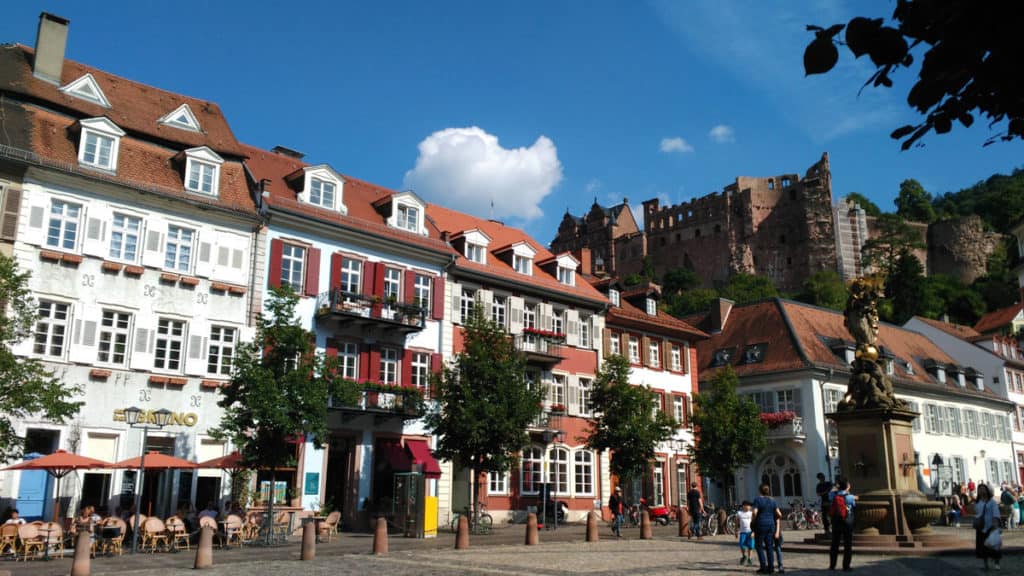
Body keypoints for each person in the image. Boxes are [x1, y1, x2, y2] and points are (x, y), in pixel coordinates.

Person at [752, 483, 781, 575]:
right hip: (771, 525)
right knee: (769, 546)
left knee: (759, 546)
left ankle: (763, 567)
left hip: (760, 525)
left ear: (760, 490)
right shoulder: (773, 500)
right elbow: (779, 514)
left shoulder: (757, 500)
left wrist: (753, 520)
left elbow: (754, 512)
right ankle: (771, 568)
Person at [828, 477, 856, 572]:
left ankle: (832, 565)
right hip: (847, 522)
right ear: (847, 486)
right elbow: (853, 505)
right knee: (847, 545)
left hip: (836, 522)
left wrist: (835, 488)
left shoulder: (833, 495)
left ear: (838, 486)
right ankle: (846, 566)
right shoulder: (850, 497)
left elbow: (830, 496)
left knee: (834, 544)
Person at [975, 483, 1002, 571]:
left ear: (987, 491)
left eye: (983, 489)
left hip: (991, 526)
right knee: (983, 547)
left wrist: (996, 525)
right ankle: (986, 564)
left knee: (994, 546)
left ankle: (997, 563)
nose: (981, 491)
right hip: (981, 527)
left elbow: (996, 513)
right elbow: (977, 514)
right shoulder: (978, 503)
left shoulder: (992, 502)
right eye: (980, 489)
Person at [735, 501, 754, 566]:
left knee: (750, 546)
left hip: (750, 532)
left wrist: (754, 532)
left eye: (750, 506)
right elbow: (737, 523)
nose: (750, 507)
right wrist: (736, 531)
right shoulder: (739, 513)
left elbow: (754, 523)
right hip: (742, 532)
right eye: (748, 505)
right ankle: (744, 556)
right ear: (744, 506)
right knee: (741, 545)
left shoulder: (751, 513)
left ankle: (750, 558)